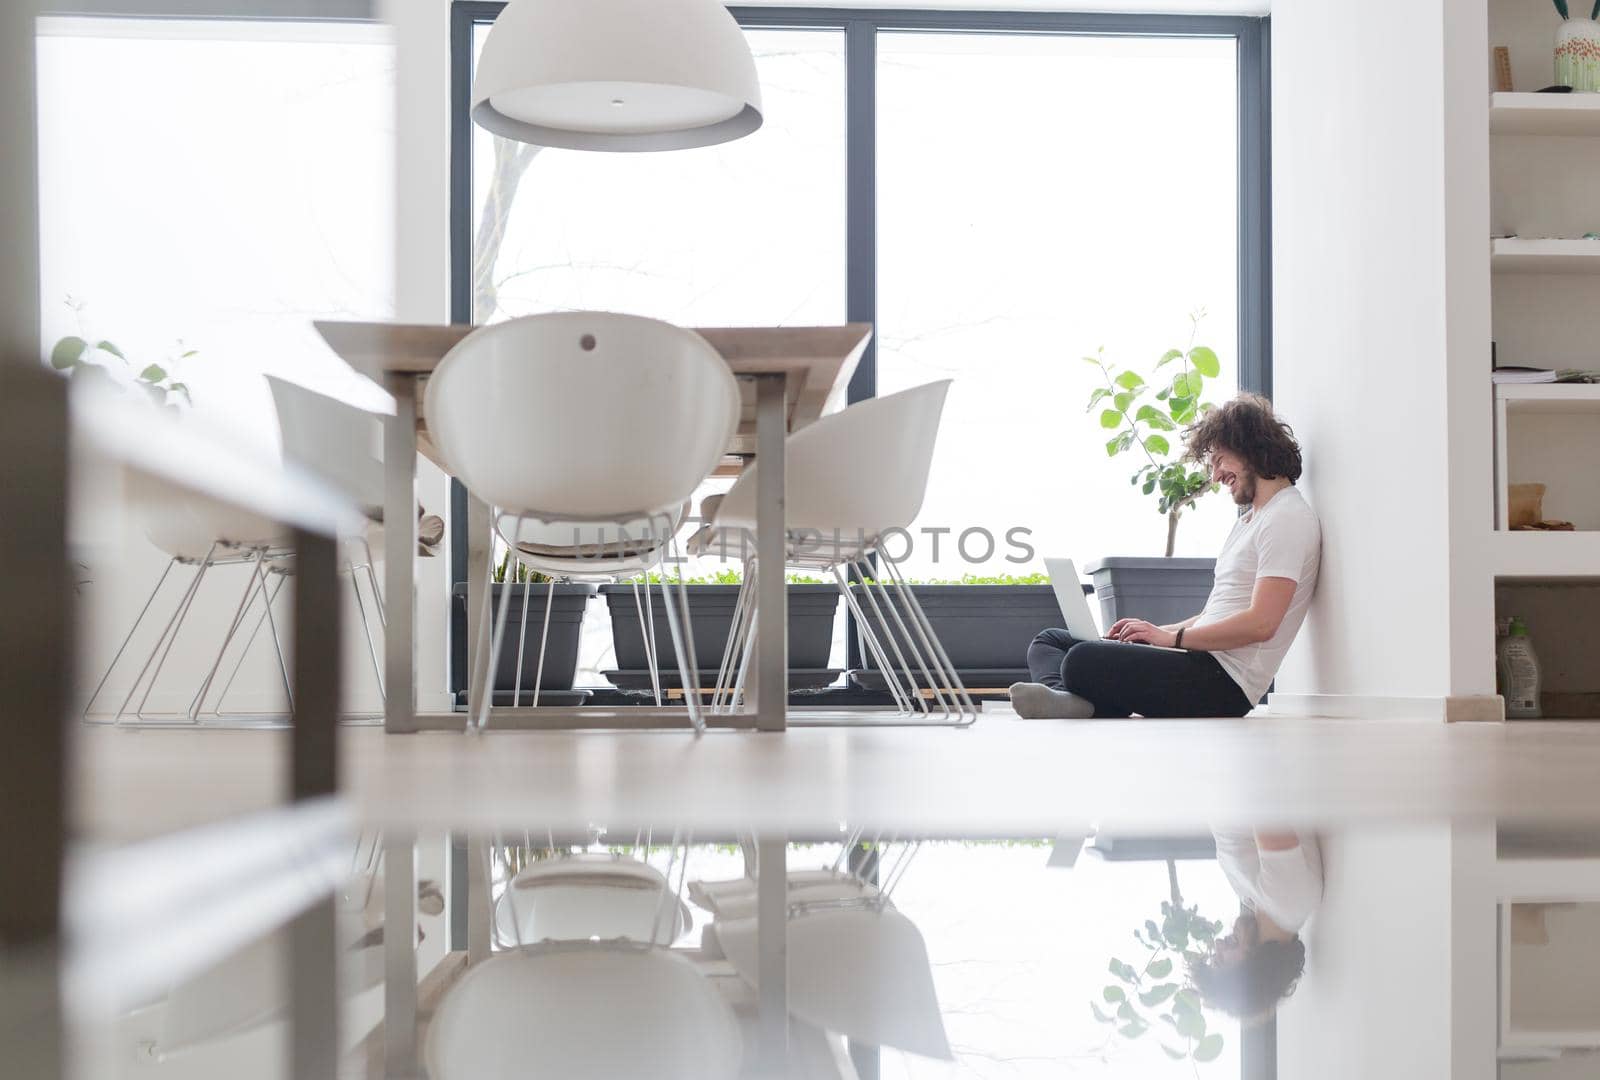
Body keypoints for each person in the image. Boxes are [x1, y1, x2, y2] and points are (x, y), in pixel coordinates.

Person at [1009, 393, 1320, 719]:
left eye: (1218, 460)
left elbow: (1262, 623)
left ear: (1249, 447)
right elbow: (1213, 614)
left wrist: (1172, 638)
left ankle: (1076, 700)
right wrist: (1153, 633)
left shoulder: (1287, 517)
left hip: (1225, 684)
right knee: (1050, 642)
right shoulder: (1249, 522)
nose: (1215, 476)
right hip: (1198, 658)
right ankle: (1074, 702)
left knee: (1080, 660)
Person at [1189, 827, 1322, 1023]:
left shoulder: (1250, 899)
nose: (1217, 945)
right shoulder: (1288, 899)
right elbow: (1266, 806)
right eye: (1220, 961)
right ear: (1250, 972)